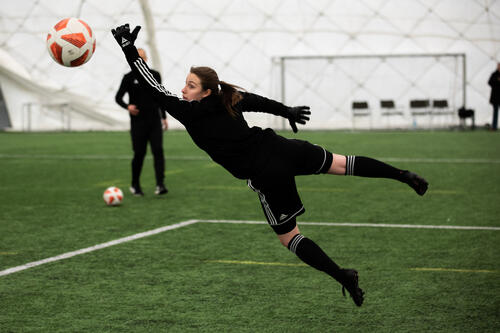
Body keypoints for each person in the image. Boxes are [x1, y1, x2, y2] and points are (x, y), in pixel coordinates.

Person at [111, 24, 429, 307]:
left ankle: (343, 276)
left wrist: (127, 49)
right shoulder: (226, 97)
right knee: (341, 163)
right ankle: (403, 176)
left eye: (190, 85)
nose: (183, 89)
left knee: (289, 238)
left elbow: (152, 84)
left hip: (266, 173)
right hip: (281, 148)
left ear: (205, 91)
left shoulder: (189, 112)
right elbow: (258, 101)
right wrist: (287, 111)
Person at [115, 47, 168, 196]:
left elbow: (160, 96)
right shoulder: (128, 77)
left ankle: (160, 184)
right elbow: (118, 97)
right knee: (139, 153)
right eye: (137, 58)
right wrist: (128, 106)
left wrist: (163, 117)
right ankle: (135, 185)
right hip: (138, 122)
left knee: (158, 151)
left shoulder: (155, 75)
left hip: (154, 120)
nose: (140, 61)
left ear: (146, 59)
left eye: (142, 58)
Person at [488, 62, 500, 131]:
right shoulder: (494, 74)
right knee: (495, 112)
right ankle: (494, 127)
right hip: (495, 97)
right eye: (498, 66)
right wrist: (497, 81)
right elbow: (489, 82)